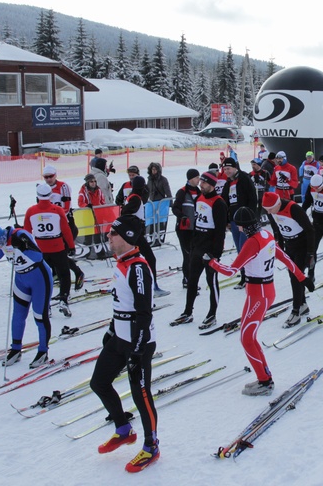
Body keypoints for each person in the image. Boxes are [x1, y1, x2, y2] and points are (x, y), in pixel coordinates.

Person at [208, 207, 308, 396]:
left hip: (259, 294)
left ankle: (264, 381)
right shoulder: (266, 235)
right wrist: (302, 277)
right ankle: (265, 377)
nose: (234, 229)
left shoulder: (252, 243)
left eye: (236, 225)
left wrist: (211, 262)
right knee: (249, 337)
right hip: (259, 292)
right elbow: (285, 257)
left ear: (243, 226)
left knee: (246, 338)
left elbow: (231, 271)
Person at [90, 215, 159, 473]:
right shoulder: (122, 263)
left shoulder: (138, 268)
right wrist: (111, 330)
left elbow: (143, 313)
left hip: (138, 341)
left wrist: (138, 349)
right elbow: (121, 303)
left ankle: (152, 446)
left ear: (128, 237)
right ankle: (123, 429)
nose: (108, 237)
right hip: (120, 337)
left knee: (141, 395)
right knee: (98, 383)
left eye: (113, 234)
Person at [0, 223, 52, 369]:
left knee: (40, 316)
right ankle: (16, 349)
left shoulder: (19, 234)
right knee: (18, 316)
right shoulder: (1, 242)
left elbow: (37, 255)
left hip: (39, 277)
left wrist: (23, 247)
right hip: (21, 279)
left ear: (0, 236)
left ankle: (43, 351)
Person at [170, 172, 227, 329]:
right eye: (200, 182)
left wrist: (216, 254)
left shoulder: (218, 203)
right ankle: (188, 312)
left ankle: (212, 314)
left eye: (204, 183)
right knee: (192, 280)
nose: (201, 185)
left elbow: (220, 231)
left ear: (212, 185)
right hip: (198, 246)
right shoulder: (200, 198)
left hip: (210, 248)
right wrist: (193, 243)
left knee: (211, 281)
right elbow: (197, 223)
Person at [262, 191, 315, 327]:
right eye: (266, 210)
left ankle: (296, 310)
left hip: (302, 245)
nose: (268, 213)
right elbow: (278, 228)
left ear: (278, 203)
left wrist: (310, 252)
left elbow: (310, 230)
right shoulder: (273, 210)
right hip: (289, 245)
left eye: (270, 209)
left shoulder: (293, 208)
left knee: (295, 277)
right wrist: (279, 243)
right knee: (293, 275)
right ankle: (302, 304)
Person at [24, 183, 76, 317]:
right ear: (50, 195)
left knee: (44, 277)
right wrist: (71, 246)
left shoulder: (31, 211)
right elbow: (66, 230)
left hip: (41, 248)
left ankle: (45, 305)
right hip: (57, 246)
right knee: (64, 274)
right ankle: (64, 300)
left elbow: (27, 232)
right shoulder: (57, 210)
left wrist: (28, 249)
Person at [120, 176, 168, 296]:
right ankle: (153, 286)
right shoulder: (135, 199)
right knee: (150, 259)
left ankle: (136, 286)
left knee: (136, 260)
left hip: (134, 234)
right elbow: (125, 213)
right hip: (136, 235)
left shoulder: (134, 197)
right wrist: (136, 224)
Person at [42, 165, 85, 290]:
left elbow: (66, 207)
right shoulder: (43, 188)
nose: (49, 179)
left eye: (51, 176)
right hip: (52, 224)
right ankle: (57, 274)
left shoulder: (63, 187)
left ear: (55, 175)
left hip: (66, 223)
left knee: (60, 255)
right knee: (50, 254)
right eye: (46, 177)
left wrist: (54, 215)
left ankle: (76, 273)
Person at [221, 157, 258, 288]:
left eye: (228, 168)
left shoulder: (244, 179)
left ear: (235, 167)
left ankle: (249, 275)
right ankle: (244, 275)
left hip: (245, 221)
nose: (226, 171)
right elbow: (224, 203)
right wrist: (226, 221)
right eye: (225, 169)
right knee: (239, 249)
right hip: (234, 221)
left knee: (244, 248)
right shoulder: (227, 183)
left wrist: (250, 219)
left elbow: (253, 199)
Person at [171, 169, 201, 289]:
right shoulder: (182, 192)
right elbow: (175, 208)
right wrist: (182, 216)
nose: (198, 180)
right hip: (183, 229)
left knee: (194, 255)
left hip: (195, 228)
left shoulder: (199, 192)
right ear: (190, 179)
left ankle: (190, 279)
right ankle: (187, 280)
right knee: (188, 255)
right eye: (196, 177)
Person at [78, 173, 108, 259]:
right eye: (91, 181)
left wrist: (103, 209)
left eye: (95, 181)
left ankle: (100, 254)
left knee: (98, 236)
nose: (93, 183)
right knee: (88, 237)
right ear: (88, 182)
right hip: (88, 216)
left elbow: (102, 201)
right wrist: (86, 206)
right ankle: (87, 254)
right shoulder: (83, 191)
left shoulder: (98, 190)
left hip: (98, 215)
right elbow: (80, 202)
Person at [145, 162, 172, 243]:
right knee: (151, 221)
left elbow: (168, 191)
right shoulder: (149, 179)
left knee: (160, 221)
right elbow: (147, 190)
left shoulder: (163, 180)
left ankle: (159, 238)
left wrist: (171, 203)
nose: (154, 171)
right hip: (151, 203)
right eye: (152, 169)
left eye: (155, 169)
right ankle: (151, 237)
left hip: (161, 203)